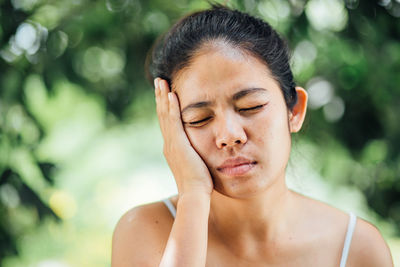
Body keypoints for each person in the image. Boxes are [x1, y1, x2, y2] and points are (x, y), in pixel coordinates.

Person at [111, 4, 393, 267]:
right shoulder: (144, 231)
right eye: (199, 119)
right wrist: (193, 196)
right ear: (172, 128)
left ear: (294, 110)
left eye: (251, 107)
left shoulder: (357, 247)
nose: (229, 135)